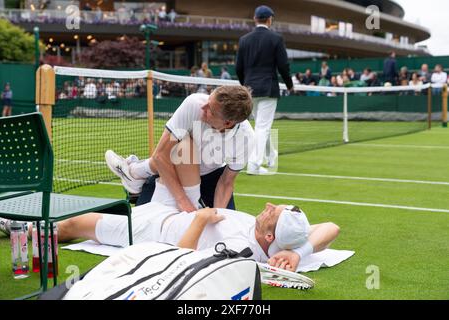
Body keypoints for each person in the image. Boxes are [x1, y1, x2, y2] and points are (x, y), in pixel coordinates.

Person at [43, 151, 340, 271]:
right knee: (183, 149)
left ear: (269, 233)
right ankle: (136, 177)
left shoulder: (242, 249)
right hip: (172, 207)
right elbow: (331, 227)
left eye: (272, 213)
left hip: (151, 230)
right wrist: (299, 254)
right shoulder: (286, 239)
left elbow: (180, 259)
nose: (268, 206)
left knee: (73, 226)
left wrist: (199, 220)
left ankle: (23, 232)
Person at [105, 85, 254, 212]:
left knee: (222, 229)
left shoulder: (246, 138)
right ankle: (135, 174)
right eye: (208, 100)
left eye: (210, 109)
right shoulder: (194, 103)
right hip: (176, 169)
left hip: (212, 177)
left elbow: (226, 182)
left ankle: (135, 172)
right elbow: (160, 156)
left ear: (227, 123)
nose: (203, 106)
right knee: (142, 223)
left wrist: (216, 214)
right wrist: (185, 203)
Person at [236, 5, 293, 175]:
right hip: (268, 89)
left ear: (255, 19)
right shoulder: (276, 38)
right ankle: (254, 164)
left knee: (261, 126)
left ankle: (271, 156)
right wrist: (289, 84)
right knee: (262, 126)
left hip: (250, 90)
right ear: (269, 20)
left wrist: (245, 87)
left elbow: (238, 67)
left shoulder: (244, 40)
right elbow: (283, 65)